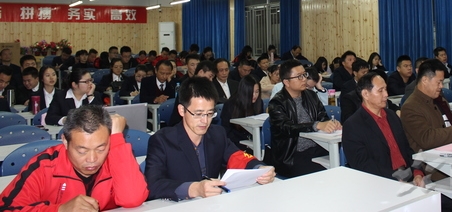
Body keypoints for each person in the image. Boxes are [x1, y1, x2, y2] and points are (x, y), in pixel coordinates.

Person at [145, 76, 275, 200]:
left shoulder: (217, 134)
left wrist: (258, 168)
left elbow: (236, 156)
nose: (205, 121)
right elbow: (153, 185)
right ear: (182, 110)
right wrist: (194, 188)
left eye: (210, 113)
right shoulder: (162, 140)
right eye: (198, 114)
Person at [0, 105, 149, 211]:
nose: (92, 159)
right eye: (82, 151)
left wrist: (117, 138)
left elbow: (133, 199)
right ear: (65, 141)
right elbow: (6, 208)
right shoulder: (45, 165)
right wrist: (60, 209)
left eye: (100, 149)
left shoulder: (116, 156)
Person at [342, 71, 424, 185]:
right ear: (365, 94)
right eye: (380, 90)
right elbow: (363, 165)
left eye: (386, 89)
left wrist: (417, 172)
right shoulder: (353, 125)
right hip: (381, 182)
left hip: (408, 177)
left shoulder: (392, 116)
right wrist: (395, 180)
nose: (386, 94)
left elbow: (407, 148)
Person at [268, 59, 341, 178]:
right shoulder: (277, 103)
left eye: (304, 75)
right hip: (292, 154)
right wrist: (315, 125)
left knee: (343, 161)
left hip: (318, 146)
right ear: (286, 82)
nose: (304, 79)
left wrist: (331, 123)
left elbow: (322, 117)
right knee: (325, 174)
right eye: (299, 76)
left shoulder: (311, 95)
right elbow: (287, 127)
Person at [401, 59, 452, 153]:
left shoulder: (440, 100)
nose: (441, 86)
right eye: (439, 82)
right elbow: (426, 139)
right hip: (429, 157)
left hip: (451, 150)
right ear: (425, 80)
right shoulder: (410, 107)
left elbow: (450, 127)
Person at [221, 75, 264, 150]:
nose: (254, 95)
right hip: (236, 143)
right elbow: (226, 131)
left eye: (257, 92)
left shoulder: (259, 102)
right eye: (251, 92)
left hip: (255, 141)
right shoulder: (230, 105)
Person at [169, 61, 217, 127]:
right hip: (181, 124)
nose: (211, 80)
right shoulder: (188, 86)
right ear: (201, 72)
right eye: (210, 76)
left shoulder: (208, 87)